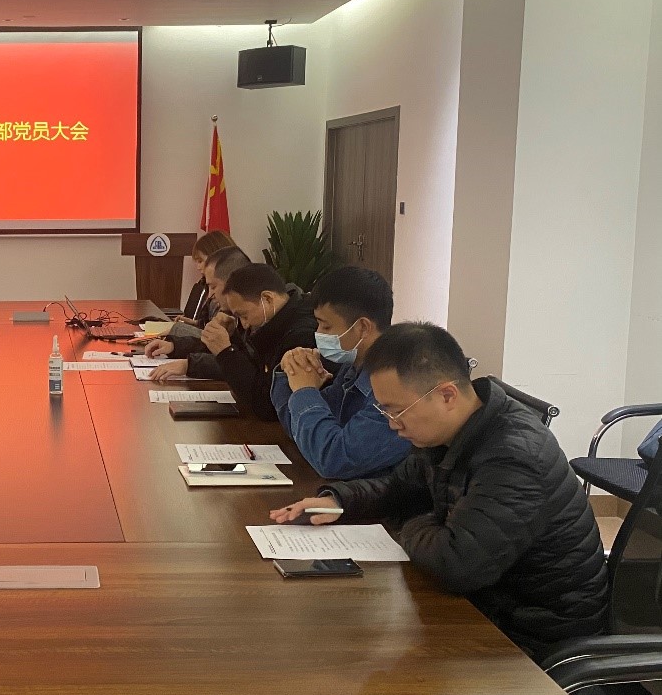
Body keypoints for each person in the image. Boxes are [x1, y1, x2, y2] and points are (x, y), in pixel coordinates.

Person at [270, 323, 609, 655]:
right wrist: (339, 500)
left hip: (533, 640)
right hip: (486, 607)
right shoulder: (450, 431)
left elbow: (456, 565)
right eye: (384, 410)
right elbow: (399, 487)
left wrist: (410, 521)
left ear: (447, 395)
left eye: (397, 411)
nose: (391, 424)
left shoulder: (515, 457)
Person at [270, 266, 411, 479]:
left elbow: (333, 459)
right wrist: (290, 370)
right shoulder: (354, 366)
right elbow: (300, 432)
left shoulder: (396, 385)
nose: (317, 333)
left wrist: (305, 390)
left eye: (326, 327)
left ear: (362, 327)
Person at [151, 264, 317, 420]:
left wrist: (226, 352)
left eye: (244, 315)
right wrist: (234, 336)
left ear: (267, 299)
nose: (244, 324)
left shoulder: (301, 335)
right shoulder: (272, 322)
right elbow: (253, 367)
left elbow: (266, 403)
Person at [143, 245, 252, 379]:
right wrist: (174, 346)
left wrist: (189, 365)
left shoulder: (256, 317)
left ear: (233, 283)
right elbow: (214, 350)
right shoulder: (234, 317)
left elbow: (244, 368)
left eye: (213, 287)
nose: (210, 295)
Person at [176, 230, 236, 328]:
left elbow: (219, 333)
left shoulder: (232, 293)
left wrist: (179, 331)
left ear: (217, 258)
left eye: (200, 261)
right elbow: (208, 324)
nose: (198, 267)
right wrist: (195, 323)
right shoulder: (203, 284)